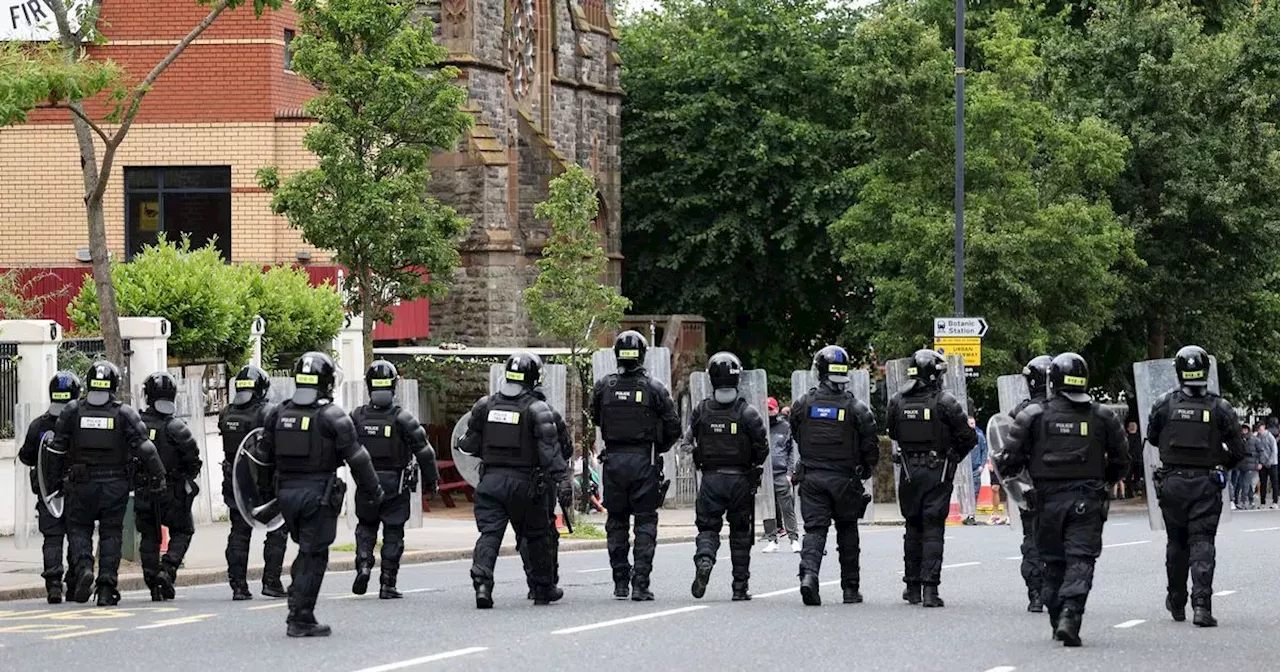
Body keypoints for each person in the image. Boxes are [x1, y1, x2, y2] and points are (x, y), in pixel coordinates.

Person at [996, 353, 1129, 647]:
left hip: (1046, 500)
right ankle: (1071, 613)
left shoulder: (1032, 415)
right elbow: (1122, 461)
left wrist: (1012, 472)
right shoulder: (1103, 416)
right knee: (1080, 558)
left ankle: (1058, 614)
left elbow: (1009, 460)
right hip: (1087, 500)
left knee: (1052, 561)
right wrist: (1102, 481)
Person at [250, 351, 384, 636]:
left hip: (285, 495)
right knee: (314, 554)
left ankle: (298, 598)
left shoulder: (277, 413)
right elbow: (358, 459)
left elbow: (262, 458)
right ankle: (300, 616)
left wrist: (265, 495)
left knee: (305, 550)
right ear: (326, 382)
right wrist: (374, 491)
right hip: (318, 495)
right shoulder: (332, 416)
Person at [48, 361, 166, 606]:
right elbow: (146, 449)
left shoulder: (72, 411)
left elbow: (55, 450)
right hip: (115, 484)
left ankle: (83, 569)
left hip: (80, 483)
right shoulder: (124, 414)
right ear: (114, 385)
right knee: (111, 533)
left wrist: (53, 484)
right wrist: (158, 477)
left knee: (79, 529)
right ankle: (106, 588)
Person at [1146, 346, 1246, 628]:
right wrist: (1218, 463)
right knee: (1202, 543)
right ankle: (1201, 605)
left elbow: (1153, 438)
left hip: (1172, 483)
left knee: (1176, 543)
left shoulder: (1164, 404)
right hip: (1205, 484)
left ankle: (1176, 600)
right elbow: (1239, 450)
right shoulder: (1220, 407)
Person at [459, 352, 568, 608]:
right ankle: (543, 589)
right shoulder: (537, 409)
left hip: (490, 483)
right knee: (536, 536)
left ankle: (483, 584)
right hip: (526, 484)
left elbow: (468, 444)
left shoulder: (485, 405)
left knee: (489, 534)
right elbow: (551, 454)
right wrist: (562, 481)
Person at [590, 331, 681, 601]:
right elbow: (673, 426)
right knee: (645, 522)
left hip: (614, 461)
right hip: (644, 460)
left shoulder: (604, 386)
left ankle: (620, 582)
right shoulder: (654, 388)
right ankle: (640, 584)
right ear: (642, 354)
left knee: (616, 521)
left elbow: (596, 418)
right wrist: (657, 447)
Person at [887, 349, 977, 608]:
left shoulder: (897, 401)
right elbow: (968, 437)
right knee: (933, 529)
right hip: (937, 472)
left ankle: (912, 587)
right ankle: (930, 591)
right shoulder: (945, 402)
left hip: (907, 473)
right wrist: (952, 457)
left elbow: (892, 432)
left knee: (912, 528)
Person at [791, 345, 878, 606]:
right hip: (844, 479)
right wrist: (864, 469)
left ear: (819, 371)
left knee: (814, 530)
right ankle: (850, 589)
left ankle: (809, 575)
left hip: (812, 478)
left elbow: (796, 432)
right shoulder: (856, 407)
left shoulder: (803, 404)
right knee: (847, 531)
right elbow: (870, 444)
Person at [349, 360, 438, 599]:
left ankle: (364, 565)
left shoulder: (357, 416)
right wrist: (432, 481)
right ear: (393, 386)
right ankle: (388, 584)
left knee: (366, 528)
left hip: (366, 484)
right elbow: (425, 452)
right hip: (395, 485)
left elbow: (340, 447)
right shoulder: (403, 418)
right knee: (393, 532)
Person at [687, 352, 768, 602]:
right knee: (741, 534)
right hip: (740, 480)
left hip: (710, 480)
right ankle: (739, 588)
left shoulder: (701, 410)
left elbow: (689, 441)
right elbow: (762, 447)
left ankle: (705, 559)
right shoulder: (748, 413)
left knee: (708, 529)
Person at [218, 365, 288, 600]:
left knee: (239, 532)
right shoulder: (267, 412)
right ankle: (271, 581)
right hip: (264, 484)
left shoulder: (226, 413)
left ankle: (238, 586)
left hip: (236, 483)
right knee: (277, 529)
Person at [135, 372, 202, 602]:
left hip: (145, 489)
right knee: (183, 530)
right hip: (172, 491)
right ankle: (168, 569)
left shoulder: (138, 425)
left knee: (149, 535)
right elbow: (194, 458)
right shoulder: (177, 427)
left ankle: (153, 581)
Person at [16, 371, 80, 603]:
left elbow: (26, 457)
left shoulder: (39, 425)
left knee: (52, 538)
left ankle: (53, 585)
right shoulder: (79, 421)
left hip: (47, 492)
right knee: (77, 536)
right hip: (76, 490)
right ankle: (74, 584)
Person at [518, 384, 574, 599]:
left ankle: (534, 581)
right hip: (542, 479)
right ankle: (548, 579)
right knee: (545, 529)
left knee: (525, 532)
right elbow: (565, 447)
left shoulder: (501, 409)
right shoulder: (549, 413)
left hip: (515, 479)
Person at [1009, 355, 1051, 613]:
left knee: (1033, 540)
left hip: (1031, 487)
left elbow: (1009, 453)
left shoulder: (1021, 412)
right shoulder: (1075, 409)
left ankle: (1036, 594)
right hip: (1065, 488)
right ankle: (1060, 593)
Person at [761, 396, 799, 553]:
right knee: (768, 508)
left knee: (787, 507)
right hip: (765, 474)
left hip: (781, 473)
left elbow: (792, 451)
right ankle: (772, 539)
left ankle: (794, 539)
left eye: (771, 409)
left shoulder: (785, 427)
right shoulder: (759, 426)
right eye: (766, 409)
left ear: (776, 409)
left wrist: (790, 472)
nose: (769, 412)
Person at [965, 413, 986, 525]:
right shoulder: (963, 437)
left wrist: (982, 465)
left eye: (974, 423)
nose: (973, 425)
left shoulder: (979, 436)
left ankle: (972, 514)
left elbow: (984, 451)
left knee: (975, 492)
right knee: (967, 493)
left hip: (975, 468)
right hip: (966, 469)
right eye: (971, 423)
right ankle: (968, 514)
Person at [1234, 425, 1260, 510]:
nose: (1244, 431)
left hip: (1251, 465)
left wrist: (1259, 462)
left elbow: (1260, 451)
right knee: (1244, 484)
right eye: (1243, 429)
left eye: (1246, 429)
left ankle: (1243, 502)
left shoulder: (1254, 440)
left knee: (1246, 484)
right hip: (1242, 465)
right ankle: (1250, 501)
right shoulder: (1240, 440)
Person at [1255, 422, 1278, 508]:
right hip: (1262, 463)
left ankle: (1275, 502)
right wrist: (1260, 462)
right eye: (1258, 428)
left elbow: (1274, 451)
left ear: (1264, 427)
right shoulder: (1257, 437)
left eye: (1260, 428)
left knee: (1274, 482)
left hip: (1272, 463)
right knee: (1263, 483)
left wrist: (1269, 462)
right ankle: (1262, 502)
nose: (1259, 430)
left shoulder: (1270, 437)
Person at [1125, 421, 1145, 499]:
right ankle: (1139, 490)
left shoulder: (1126, 439)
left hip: (1129, 460)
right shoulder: (1140, 438)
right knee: (1138, 476)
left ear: (1128, 429)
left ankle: (1130, 492)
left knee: (1128, 477)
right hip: (1138, 459)